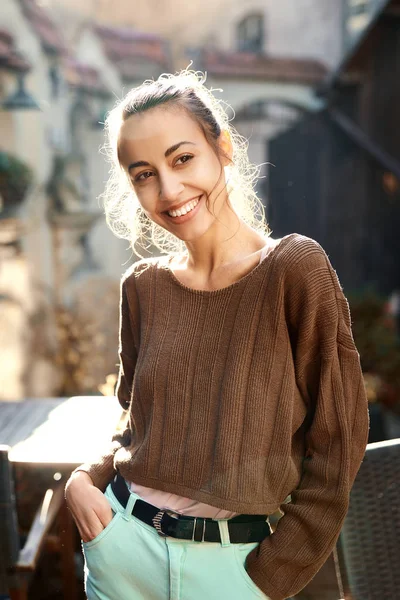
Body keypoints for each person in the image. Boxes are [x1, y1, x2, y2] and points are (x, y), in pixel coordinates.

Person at [65, 70, 370, 600]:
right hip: (122, 556)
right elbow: (133, 420)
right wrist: (84, 483)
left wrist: (267, 579)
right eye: (143, 174)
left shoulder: (294, 269)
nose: (168, 189)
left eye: (182, 159)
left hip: (236, 572)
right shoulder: (142, 286)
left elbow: (339, 441)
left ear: (222, 148)